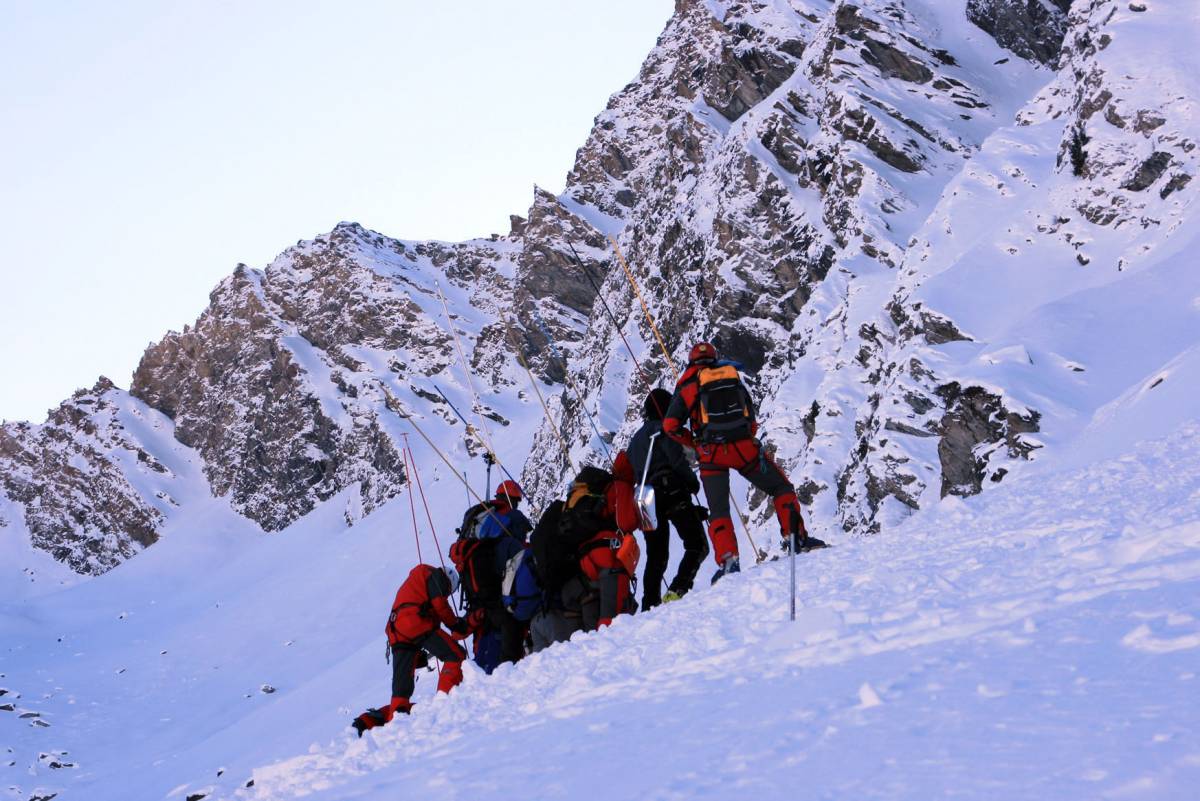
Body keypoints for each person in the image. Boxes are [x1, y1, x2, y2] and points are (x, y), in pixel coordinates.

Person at [662, 342, 826, 583]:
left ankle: (729, 561)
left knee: (719, 511)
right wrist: (745, 437)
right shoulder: (730, 374)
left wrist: (695, 444)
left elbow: (670, 426)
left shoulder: (687, 384)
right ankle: (796, 538)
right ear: (714, 358)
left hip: (711, 456)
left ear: (690, 361)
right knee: (781, 488)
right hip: (744, 450)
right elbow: (750, 416)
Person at [352, 564, 467, 736]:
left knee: (402, 689)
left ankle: (385, 720)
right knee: (456, 655)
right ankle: (445, 703)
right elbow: (439, 605)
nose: (447, 594)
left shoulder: (417, 580)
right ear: (449, 580)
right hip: (415, 622)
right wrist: (455, 624)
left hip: (396, 632)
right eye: (449, 592)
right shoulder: (434, 575)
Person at [627, 388, 709, 608]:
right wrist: (692, 484)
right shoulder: (663, 430)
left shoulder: (634, 442)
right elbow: (676, 461)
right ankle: (676, 590)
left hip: (644, 499)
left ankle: (649, 604)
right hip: (670, 489)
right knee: (697, 545)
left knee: (656, 555)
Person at [450, 481, 529, 673]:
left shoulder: (479, 519)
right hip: (498, 592)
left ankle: (481, 681)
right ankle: (503, 675)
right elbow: (520, 552)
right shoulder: (510, 518)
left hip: (475, 597)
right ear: (514, 500)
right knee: (507, 633)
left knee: (484, 641)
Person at [568, 453, 642, 628]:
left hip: (586, 561)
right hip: (608, 555)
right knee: (613, 617)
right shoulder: (620, 487)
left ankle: (595, 651)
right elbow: (626, 522)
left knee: (594, 625)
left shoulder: (597, 491)